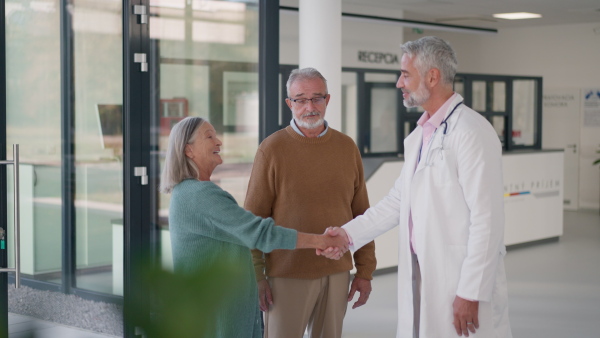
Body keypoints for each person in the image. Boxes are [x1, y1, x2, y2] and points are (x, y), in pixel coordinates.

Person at [320, 36, 512, 337]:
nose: (399, 83)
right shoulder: (421, 136)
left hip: (458, 277)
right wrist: (347, 235)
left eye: (405, 74)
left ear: (432, 76)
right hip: (423, 270)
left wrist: (471, 291)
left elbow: (488, 220)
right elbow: (397, 202)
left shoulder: (472, 132)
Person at [159, 116, 349, 338]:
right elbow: (260, 233)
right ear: (188, 150)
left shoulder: (188, 192)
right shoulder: (199, 195)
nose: (218, 142)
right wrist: (322, 241)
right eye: (209, 136)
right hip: (217, 312)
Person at [245, 67, 377, 338]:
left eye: (317, 98)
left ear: (328, 100)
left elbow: (362, 213)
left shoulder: (346, 147)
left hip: (337, 271)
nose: (309, 107)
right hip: (286, 273)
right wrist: (256, 276)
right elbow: (253, 220)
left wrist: (365, 270)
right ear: (289, 104)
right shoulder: (271, 149)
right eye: (300, 99)